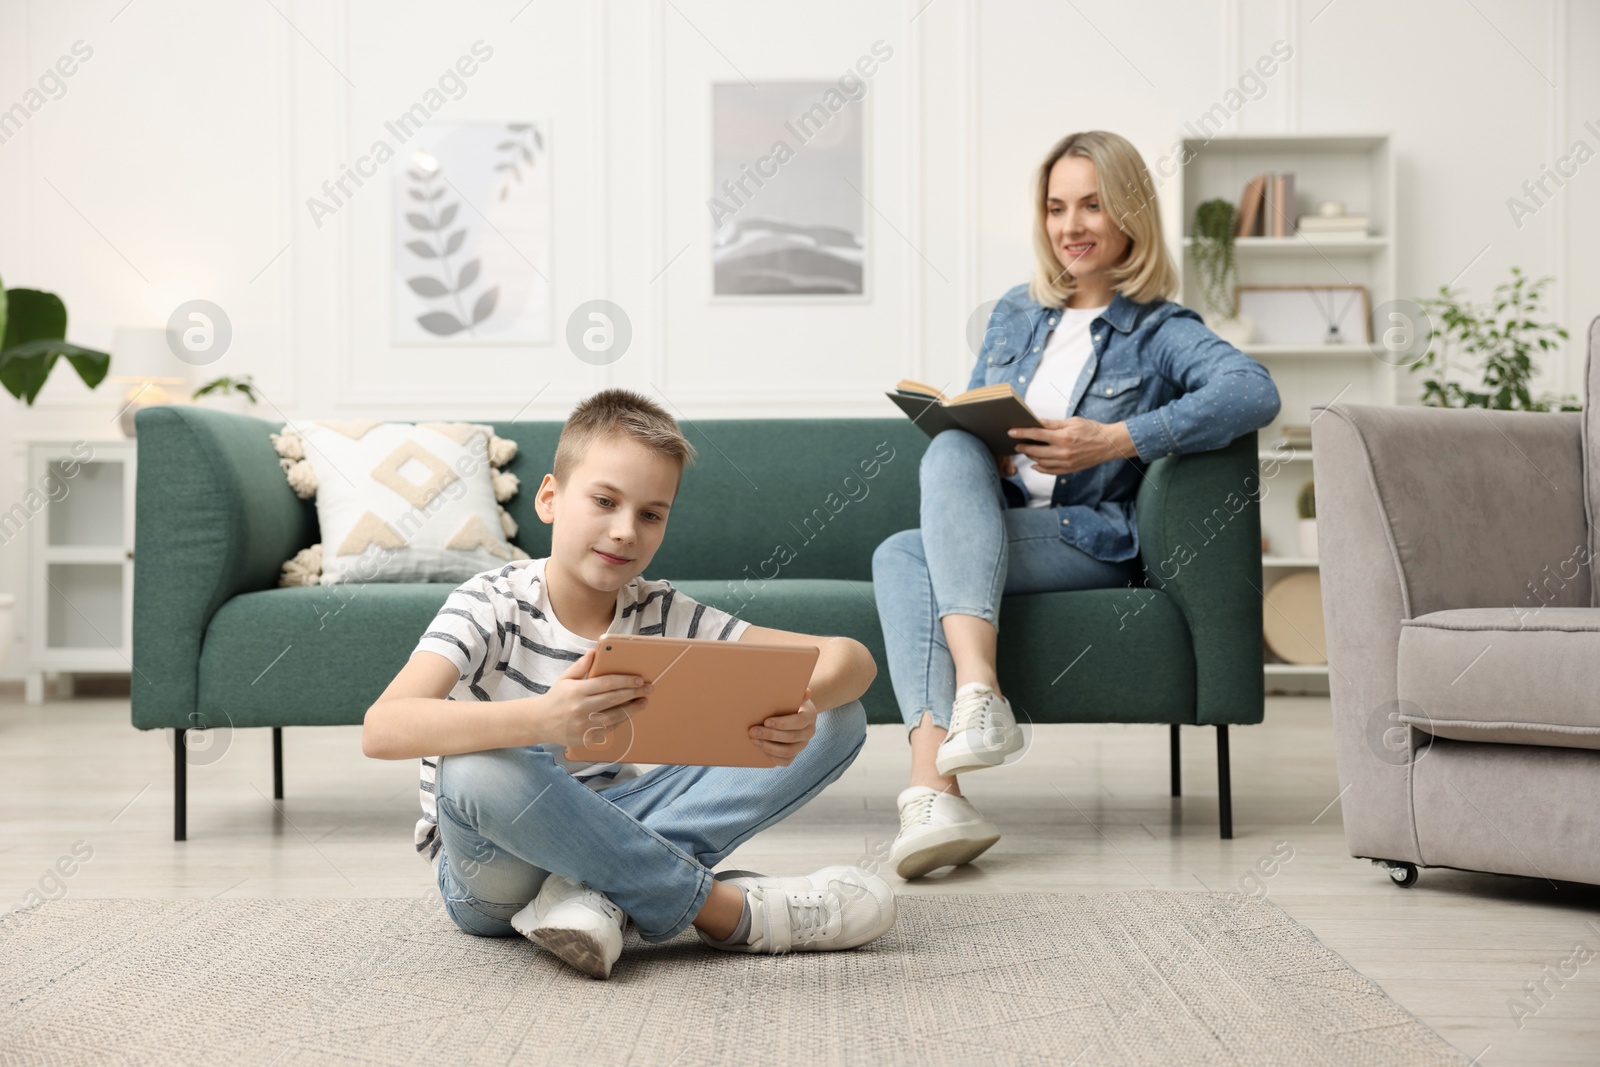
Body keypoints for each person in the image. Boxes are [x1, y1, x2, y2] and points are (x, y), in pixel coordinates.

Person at [363, 389, 896, 979]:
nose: (624, 531)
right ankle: (726, 912)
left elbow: (850, 659)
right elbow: (384, 727)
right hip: (495, 868)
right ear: (549, 498)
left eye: (650, 514)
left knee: (838, 714)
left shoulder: (662, 611)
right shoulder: (491, 602)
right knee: (473, 769)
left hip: (619, 819)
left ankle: (599, 896)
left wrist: (806, 705)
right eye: (603, 501)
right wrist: (544, 720)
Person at [872, 130, 1281, 879]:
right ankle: (961, 740)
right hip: (999, 519)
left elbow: (1253, 391)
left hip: (1091, 537)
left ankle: (936, 779)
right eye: (1058, 207)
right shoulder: (1013, 314)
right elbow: (978, 410)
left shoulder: (1161, 329)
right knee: (931, 485)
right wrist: (988, 441)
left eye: (1093, 205)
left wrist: (1118, 438)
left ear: (1130, 214)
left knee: (906, 554)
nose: (1072, 226)